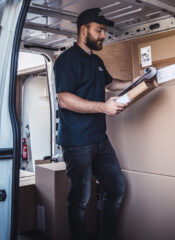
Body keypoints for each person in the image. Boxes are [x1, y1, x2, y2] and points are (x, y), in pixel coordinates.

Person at [53, 8, 136, 240]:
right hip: (77, 142)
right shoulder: (67, 61)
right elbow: (64, 99)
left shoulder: (96, 60)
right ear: (83, 30)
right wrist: (103, 107)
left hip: (100, 139)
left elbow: (111, 84)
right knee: (80, 199)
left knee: (116, 188)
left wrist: (137, 80)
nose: (103, 36)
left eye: (104, 32)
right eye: (99, 30)